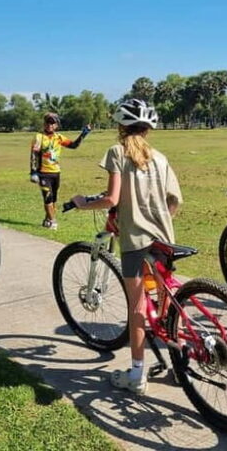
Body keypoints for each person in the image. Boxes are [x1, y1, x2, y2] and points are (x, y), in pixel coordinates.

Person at [70, 99, 182, 395]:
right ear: (147, 129)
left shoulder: (117, 153)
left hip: (135, 242)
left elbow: (112, 199)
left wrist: (82, 203)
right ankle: (179, 364)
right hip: (164, 238)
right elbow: (174, 201)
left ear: (121, 127)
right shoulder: (160, 158)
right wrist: (158, 218)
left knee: (137, 306)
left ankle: (136, 374)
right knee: (166, 300)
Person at [30, 112, 91, 230]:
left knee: (53, 199)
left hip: (56, 172)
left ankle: (47, 219)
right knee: (47, 197)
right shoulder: (39, 137)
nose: (49, 125)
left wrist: (84, 133)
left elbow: (73, 145)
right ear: (44, 124)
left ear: (56, 125)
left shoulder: (59, 137)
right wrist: (33, 171)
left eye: (52, 123)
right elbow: (34, 154)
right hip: (43, 172)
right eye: (47, 122)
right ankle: (53, 221)